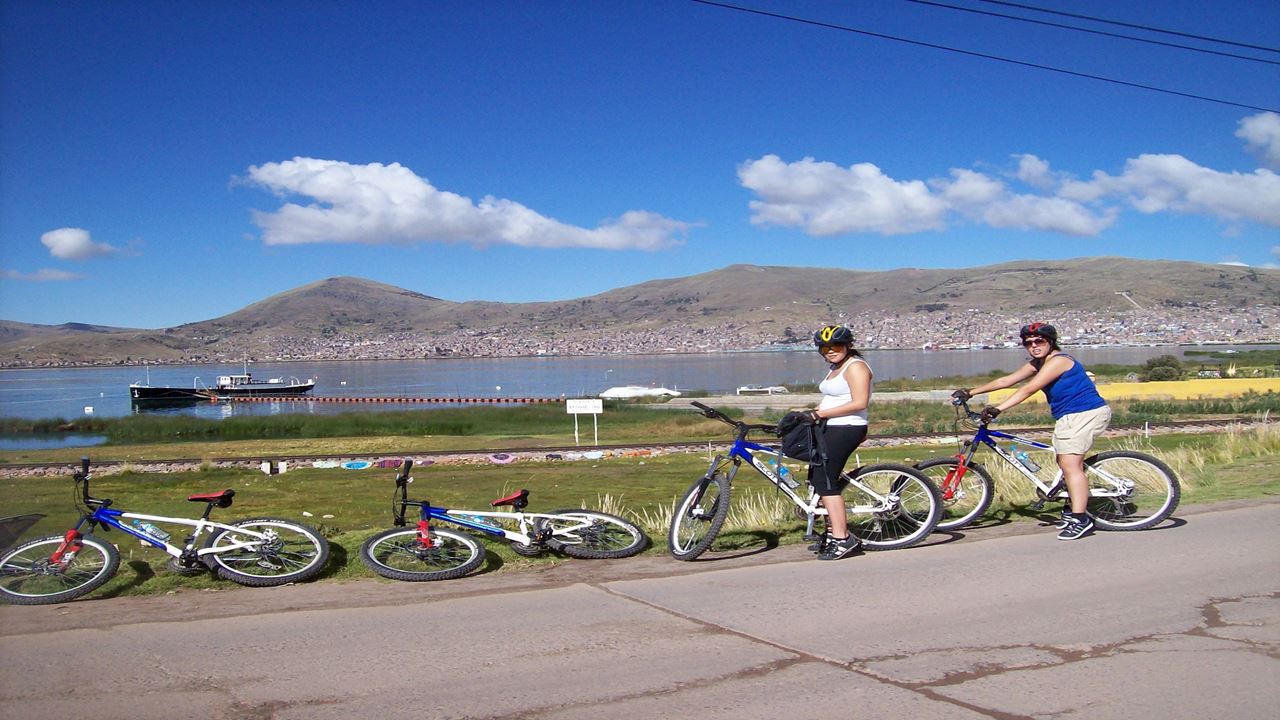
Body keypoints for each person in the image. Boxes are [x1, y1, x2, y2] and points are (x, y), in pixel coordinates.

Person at [952, 322, 1111, 541]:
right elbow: (1007, 380)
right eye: (1028, 343)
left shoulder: (1059, 361)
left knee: (1070, 465)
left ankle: (1080, 519)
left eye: (1039, 341)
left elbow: (1028, 389)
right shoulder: (1038, 363)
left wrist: (998, 409)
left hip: (1085, 414)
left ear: (1051, 342)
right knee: (1063, 461)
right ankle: (1072, 504)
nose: (1034, 346)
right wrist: (970, 392)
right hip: (1070, 417)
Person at [803, 324, 873, 560]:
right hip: (829, 426)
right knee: (817, 478)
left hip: (847, 427)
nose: (830, 350)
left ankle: (843, 539)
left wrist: (820, 414)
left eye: (836, 346)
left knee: (826, 480)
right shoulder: (835, 367)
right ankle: (832, 532)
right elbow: (834, 398)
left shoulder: (856, 367)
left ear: (848, 345)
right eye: (824, 348)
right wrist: (810, 414)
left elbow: (860, 402)